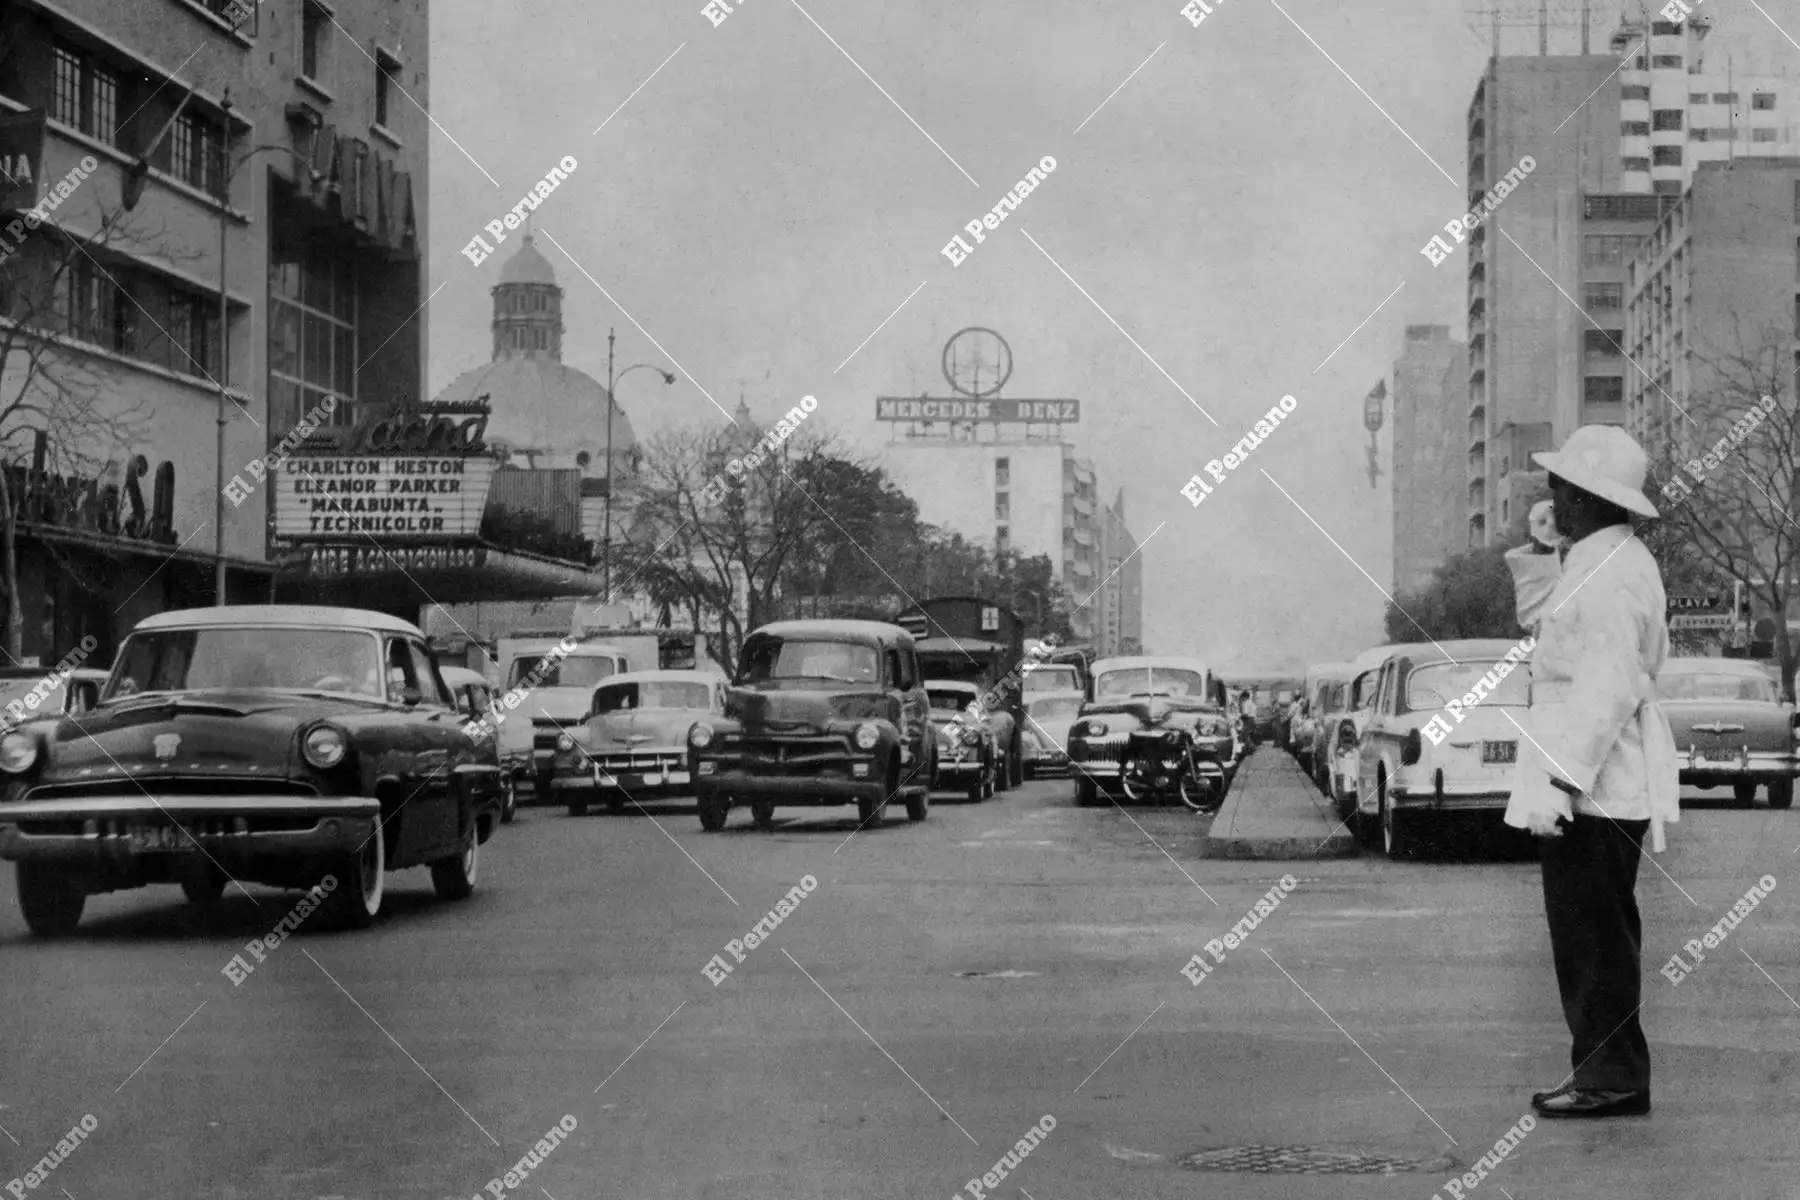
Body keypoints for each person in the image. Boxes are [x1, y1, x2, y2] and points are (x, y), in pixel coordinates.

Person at [1502, 425, 1679, 1120]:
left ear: (1589, 496)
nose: (1551, 496)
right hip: (1598, 779)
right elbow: (1543, 624)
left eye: (1562, 488)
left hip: (1594, 784)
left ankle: (1611, 1077)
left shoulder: (1608, 572)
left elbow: (1603, 689)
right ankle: (1603, 1070)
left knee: (1593, 938)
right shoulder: (1607, 558)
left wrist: (1560, 780)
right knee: (1592, 935)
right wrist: (1546, 551)